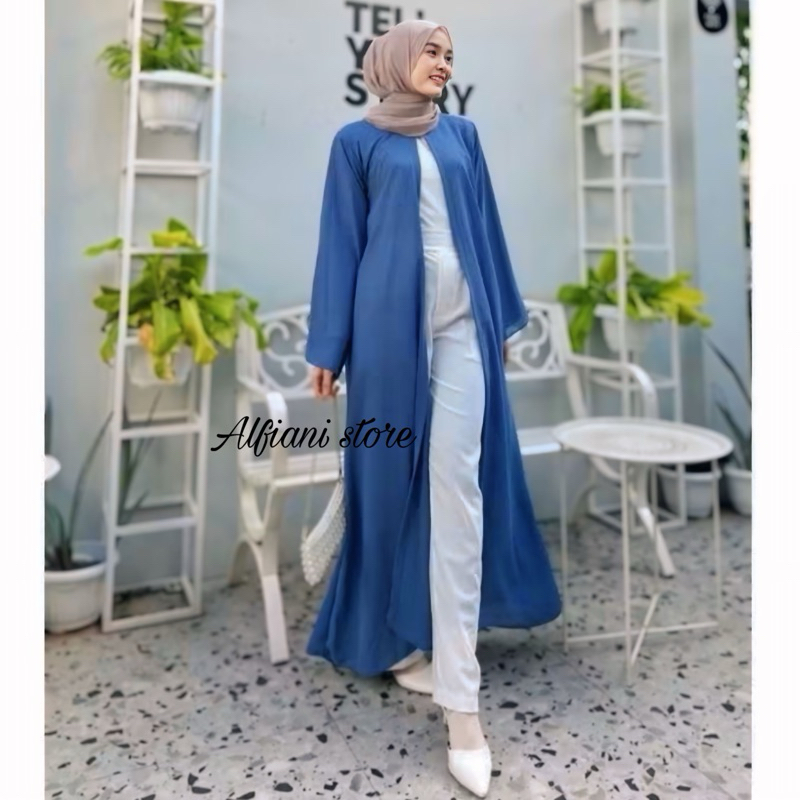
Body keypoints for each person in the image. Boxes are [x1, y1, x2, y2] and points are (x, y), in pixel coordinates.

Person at [304, 19, 561, 798]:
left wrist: (500, 318)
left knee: (459, 491)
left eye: (450, 55)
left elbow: (484, 225)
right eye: (431, 51)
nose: (444, 63)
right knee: (390, 490)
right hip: (387, 334)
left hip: (462, 328)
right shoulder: (356, 143)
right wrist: (328, 345)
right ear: (392, 60)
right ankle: (400, 637)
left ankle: (463, 707)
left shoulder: (463, 135)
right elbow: (340, 245)